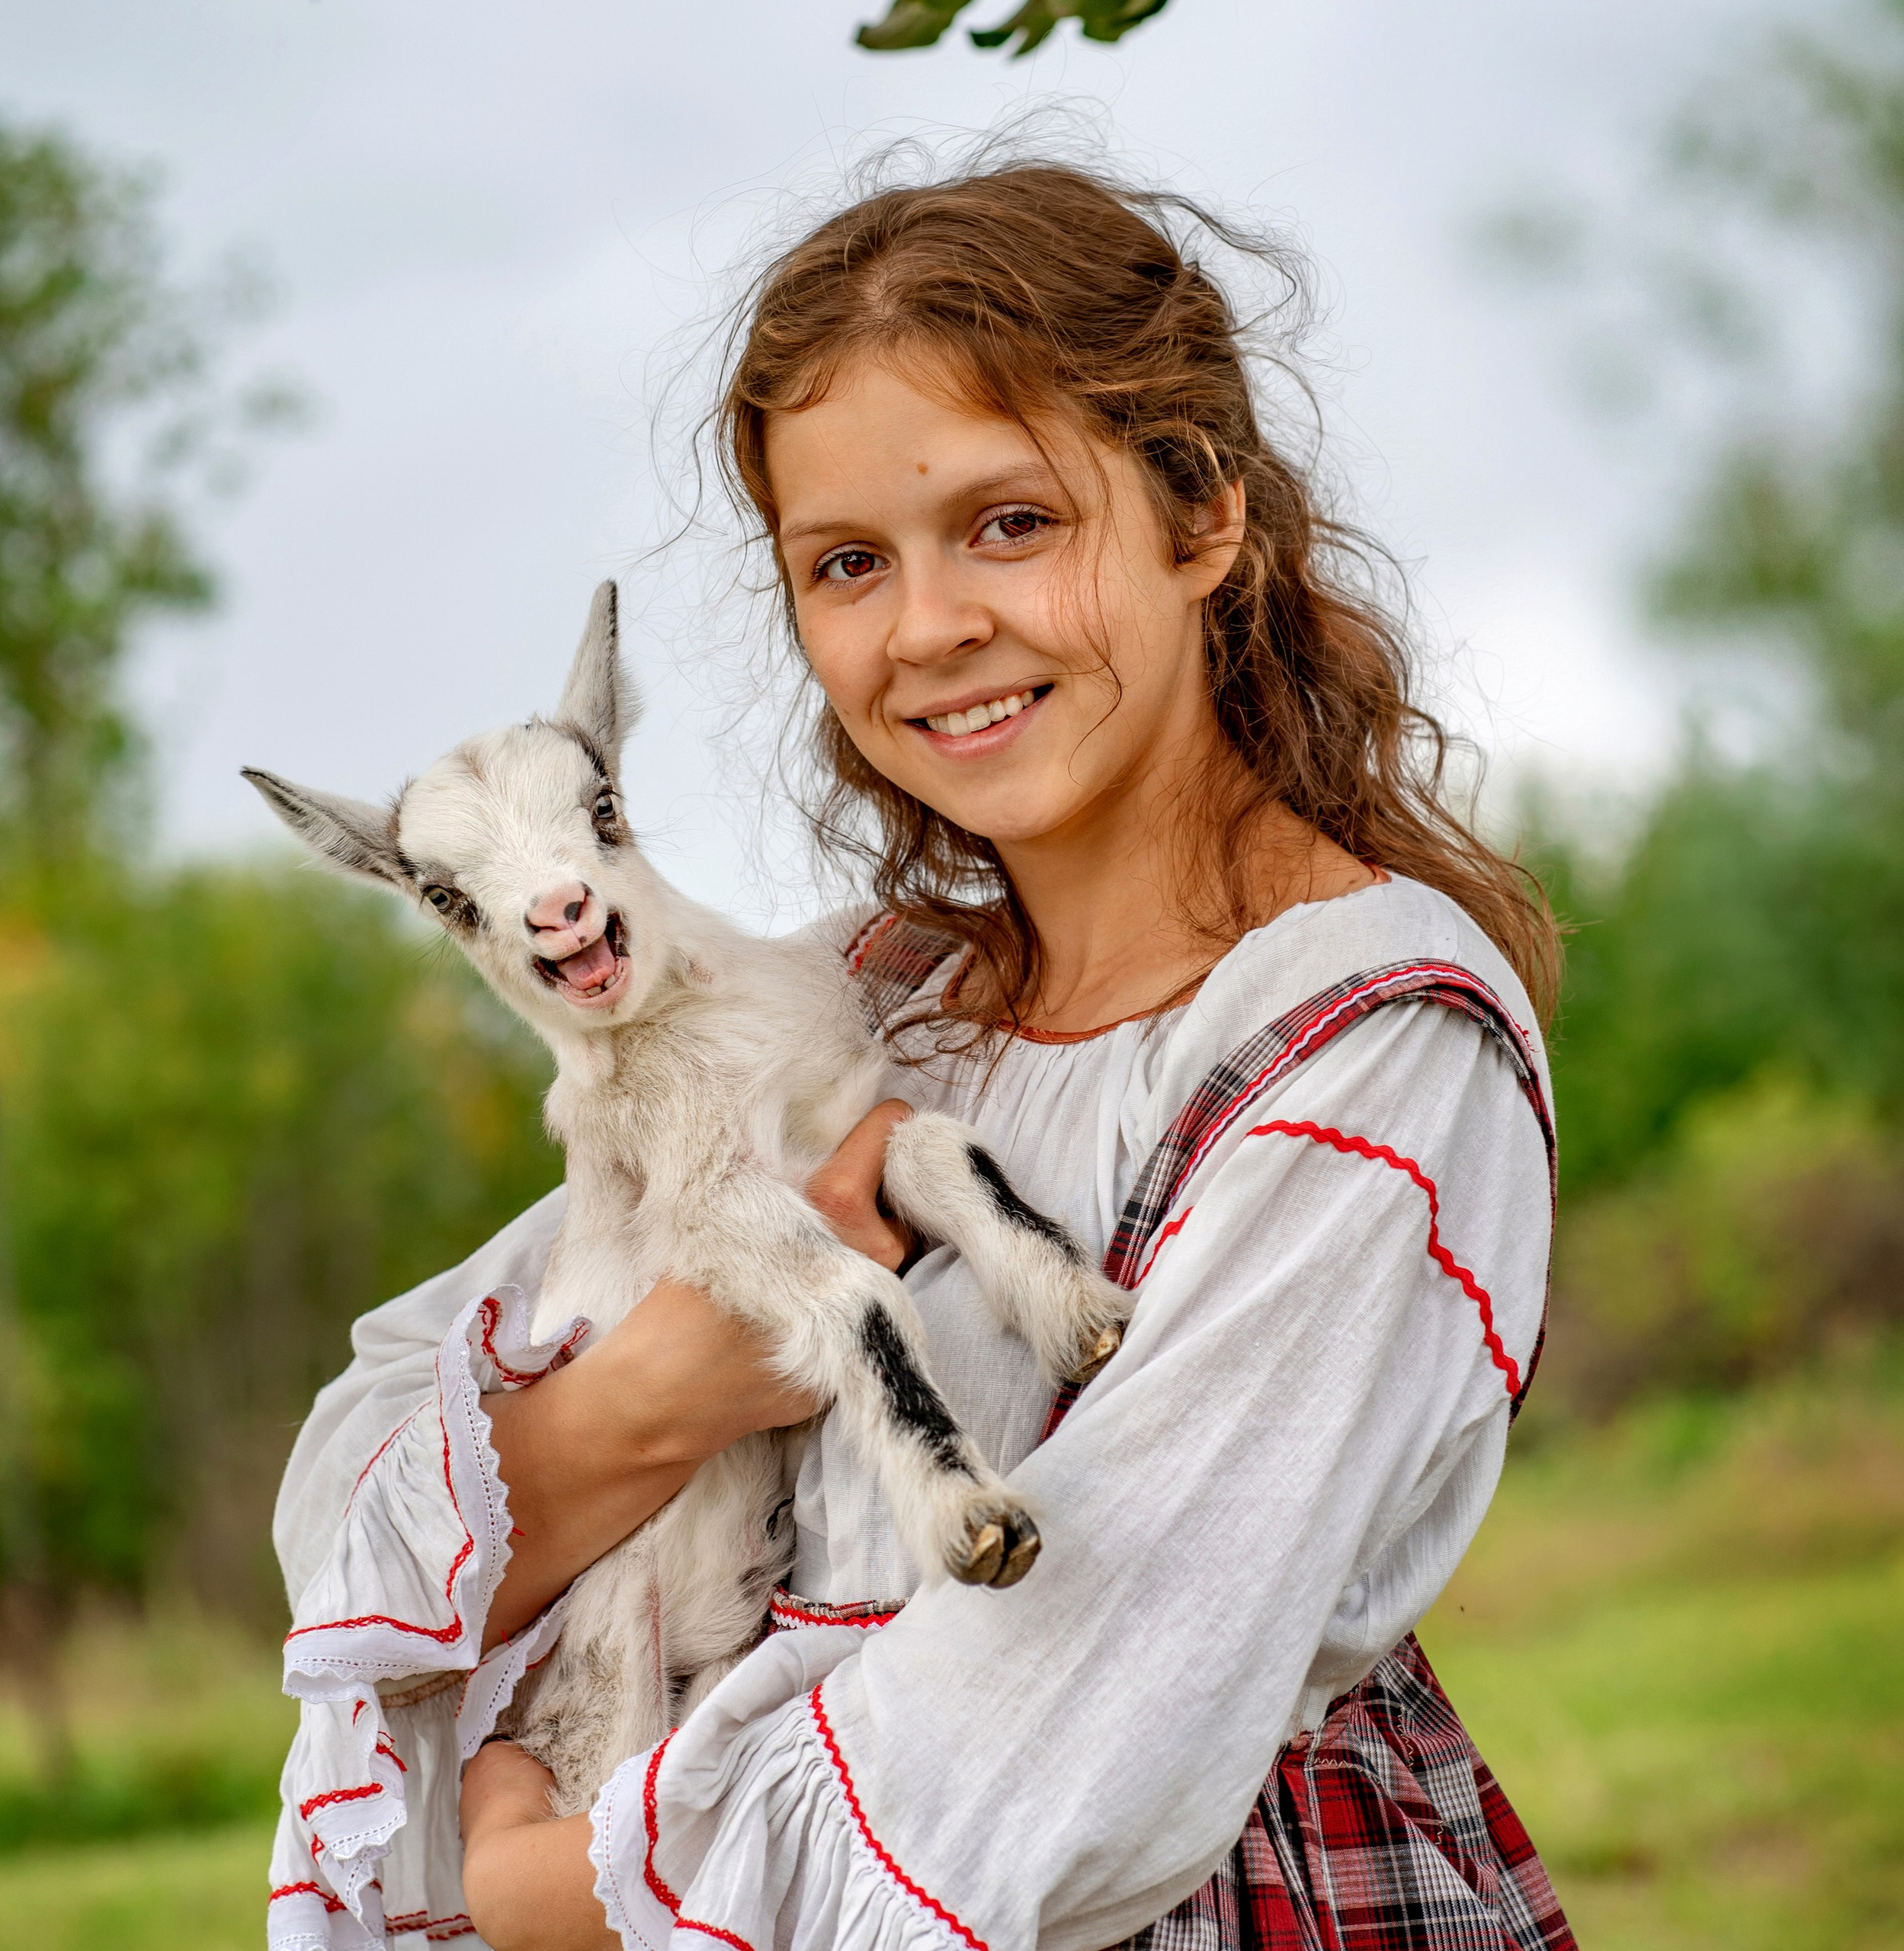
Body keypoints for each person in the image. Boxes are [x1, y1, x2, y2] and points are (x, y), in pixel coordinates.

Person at [268, 156, 1575, 1951]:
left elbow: (1059, 1745)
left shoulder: (1361, 1041)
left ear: (1202, 513)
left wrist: (543, 1887)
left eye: (1010, 522)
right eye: (847, 563)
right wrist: (664, 1389)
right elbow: (345, 1496)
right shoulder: (868, 1003)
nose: (928, 624)